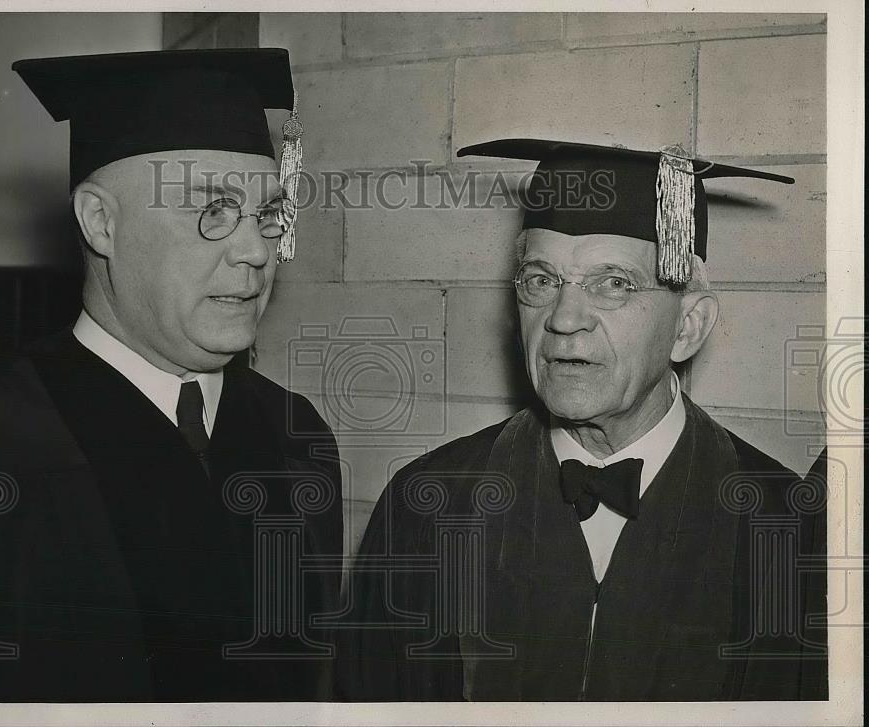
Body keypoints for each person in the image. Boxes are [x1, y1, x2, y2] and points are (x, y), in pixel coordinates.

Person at [0, 49, 342, 702]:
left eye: (265, 213)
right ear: (101, 222)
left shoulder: (298, 436)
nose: (255, 250)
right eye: (212, 211)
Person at [339, 139, 827, 701]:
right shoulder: (425, 507)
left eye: (614, 283)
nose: (564, 320)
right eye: (541, 281)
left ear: (688, 326)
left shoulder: (786, 533)